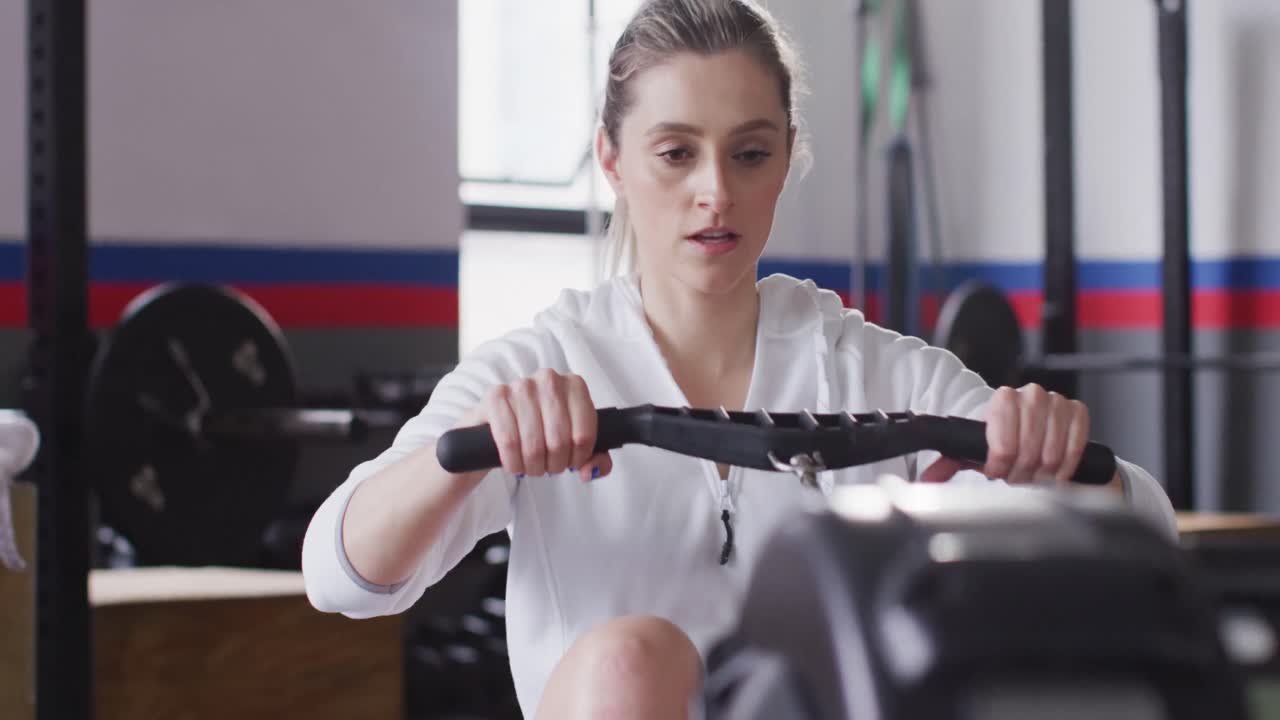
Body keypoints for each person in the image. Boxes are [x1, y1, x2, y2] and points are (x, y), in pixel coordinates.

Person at [301, 1, 1178, 717]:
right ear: (612, 160)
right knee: (630, 664)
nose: (715, 191)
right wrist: (472, 453)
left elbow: (1150, 525)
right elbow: (339, 574)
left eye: (749, 154)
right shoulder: (547, 364)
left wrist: (1055, 460)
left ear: (787, 158)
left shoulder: (869, 368)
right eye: (676, 153)